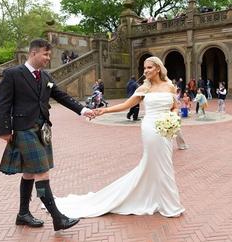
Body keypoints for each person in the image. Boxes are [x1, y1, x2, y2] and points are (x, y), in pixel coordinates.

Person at [53, 56, 185, 218]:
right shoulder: (144, 88)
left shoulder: (169, 86)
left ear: (158, 68)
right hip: (150, 128)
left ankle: (161, 199)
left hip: (166, 130)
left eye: (149, 67)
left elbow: (174, 107)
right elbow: (126, 105)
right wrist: (104, 110)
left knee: (164, 163)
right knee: (159, 163)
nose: (146, 71)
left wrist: (174, 118)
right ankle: (170, 205)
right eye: (144, 68)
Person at [0, 38, 95, 231]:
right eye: (46, 54)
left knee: (30, 172)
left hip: (42, 130)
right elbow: (3, 103)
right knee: (42, 171)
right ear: (33, 53)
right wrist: (5, 130)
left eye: (49, 54)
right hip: (24, 128)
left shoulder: (46, 77)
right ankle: (58, 218)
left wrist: (83, 110)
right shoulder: (13, 74)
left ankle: (23, 214)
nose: (48, 58)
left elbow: (61, 96)